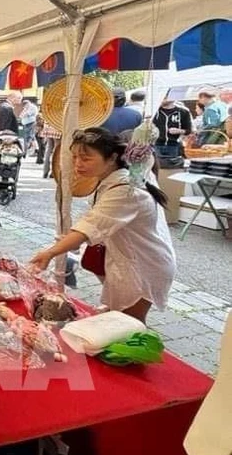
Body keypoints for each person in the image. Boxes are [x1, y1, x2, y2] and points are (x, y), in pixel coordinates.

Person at [29, 128, 176, 323]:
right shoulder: (117, 178)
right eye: (74, 158)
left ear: (112, 158)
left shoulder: (126, 191)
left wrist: (49, 253)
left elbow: (88, 227)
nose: (78, 164)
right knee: (118, 317)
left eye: (86, 158)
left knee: (130, 324)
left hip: (142, 265)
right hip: (127, 259)